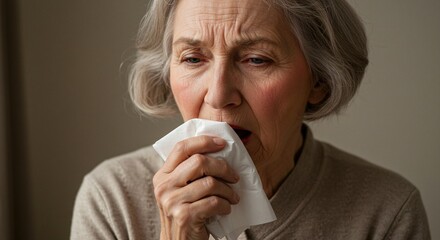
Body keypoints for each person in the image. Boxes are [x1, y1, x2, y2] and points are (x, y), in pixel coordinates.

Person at [71, 0, 431, 239]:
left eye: (257, 59)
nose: (218, 94)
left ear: (319, 81)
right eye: (193, 59)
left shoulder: (386, 211)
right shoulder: (113, 199)